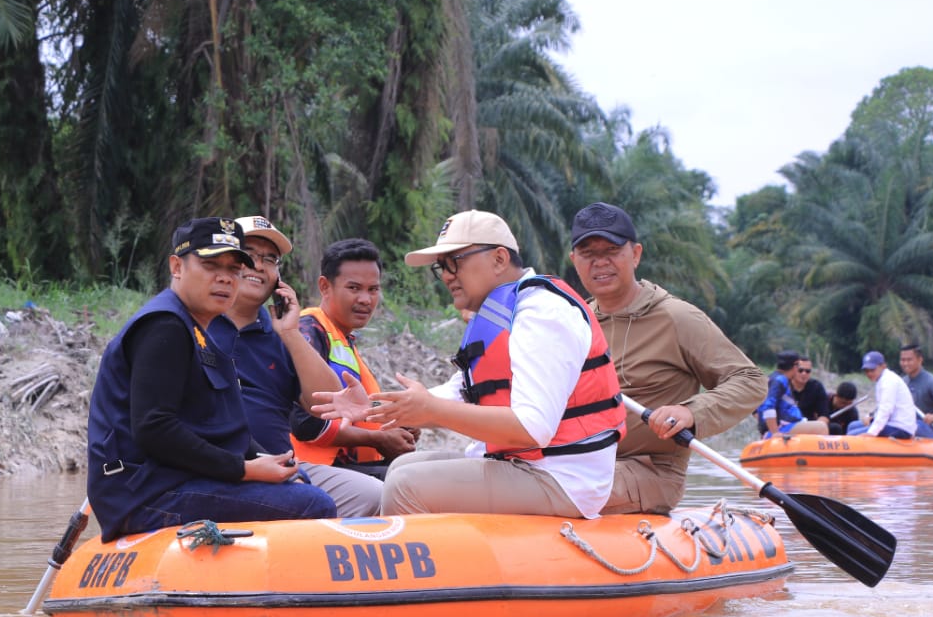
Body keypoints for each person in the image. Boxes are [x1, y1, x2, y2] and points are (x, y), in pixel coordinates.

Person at [315, 209, 627, 518]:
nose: (447, 275)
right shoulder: (501, 314)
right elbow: (458, 393)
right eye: (441, 266)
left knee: (405, 485)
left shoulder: (542, 313)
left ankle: (420, 553)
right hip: (527, 464)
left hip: (564, 478)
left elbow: (534, 427)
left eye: (455, 262)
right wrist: (374, 407)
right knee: (402, 466)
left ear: (499, 259)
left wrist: (431, 411)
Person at [86, 216, 336, 542]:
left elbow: (225, 431)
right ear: (177, 267)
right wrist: (244, 470)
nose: (224, 278)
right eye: (211, 265)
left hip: (177, 481)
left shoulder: (202, 332)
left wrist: (274, 464)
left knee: (300, 479)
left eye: (234, 269)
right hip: (144, 493)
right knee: (313, 504)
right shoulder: (164, 326)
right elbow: (154, 429)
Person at [570, 201, 767, 514]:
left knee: (561, 487)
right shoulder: (573, 322)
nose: (600, 262)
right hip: (574, 463)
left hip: (649, 471)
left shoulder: (677, 317)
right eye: (588, 253)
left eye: (612, 251)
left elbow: (750, 380)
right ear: (574, 260)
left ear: (636, 254)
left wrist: (690, 412)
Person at [207, 216, 381, 517]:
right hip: (220, 465)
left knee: (374, 495)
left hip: (285, 466)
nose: (258, 265)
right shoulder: (197, 324)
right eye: (248, 254)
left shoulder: (284, 333)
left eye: (269, 259)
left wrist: (289, 333)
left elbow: (327, 403)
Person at [290, 238, 417, 480]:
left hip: (351, 466)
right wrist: (378, 438)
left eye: (373, 289)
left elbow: (359, 407)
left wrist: (395, 424)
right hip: (314, 467)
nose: (365, 299)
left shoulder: (343, 339)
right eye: (354, 288)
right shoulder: (308, 332)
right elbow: (304, 422)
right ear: (325, 286)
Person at [755, 350, 829, 438]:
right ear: (794, 366)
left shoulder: (780, 379)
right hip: (782, 426)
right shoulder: (779, 380)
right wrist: (774, 432)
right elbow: (768, 407)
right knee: (821, 427)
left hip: (789, 423)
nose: (802, 372)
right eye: (799, 367)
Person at [847, 350, 917, 438]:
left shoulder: (889, 381)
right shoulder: (882, 379)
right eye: (866, 371)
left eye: (872, 370)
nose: (869, 373)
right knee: (852, 426)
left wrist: (871, 433)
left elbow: (886, 410)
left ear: (883, 366)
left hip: (900, 427)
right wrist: (871, 417)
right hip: (891, 423)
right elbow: (881, 408)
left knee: (853, 434)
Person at [789, 356, 832, 427]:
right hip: (786, 425)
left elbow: (824, 415)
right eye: (800, 370)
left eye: (807, 371)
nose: (804, 373)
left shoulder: (817, 387)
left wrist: (818, 426)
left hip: (809, 425)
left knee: (834, 427)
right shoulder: (783, 385)